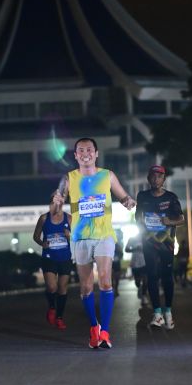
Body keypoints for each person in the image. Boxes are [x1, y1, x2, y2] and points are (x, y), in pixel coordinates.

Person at [53, 138, 135, 349]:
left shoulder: (107, 175)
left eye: (89, 149)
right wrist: (57, 202)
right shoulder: (69, 178)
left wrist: (128, 201)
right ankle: (93, 328)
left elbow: (123, 196)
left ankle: (105, 332)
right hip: (80, 238)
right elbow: (57, 203)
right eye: (81, 150)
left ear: (96, 153)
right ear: (76, 155)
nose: (85, 153)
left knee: (106, 281)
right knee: (86, 287)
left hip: (104, 235)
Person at [135, 166, 184, 329]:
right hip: (149, 242)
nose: (156, 180)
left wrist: (170, 221)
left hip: (167, 243)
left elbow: (181, 219)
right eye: (153, 176)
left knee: (167, 276)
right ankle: (157, 314)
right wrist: (142, 223)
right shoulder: (142, 196)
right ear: (148, 179)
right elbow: (137, 217)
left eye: (159, 177)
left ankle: (168, 312)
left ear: (164, 179)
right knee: (152, 275)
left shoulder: (171, 197)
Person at [33, 197, 72, 329]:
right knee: (51, 287)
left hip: (65, 257)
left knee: (62, 287)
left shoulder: (69, 218)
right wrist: (42, 243)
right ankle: (51, 307)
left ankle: (59, 318)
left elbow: (77, 238)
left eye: (59, 203)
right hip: (49, 257)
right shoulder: (44, 218)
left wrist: (69, 236)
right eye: (53, 203)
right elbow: (36, 236)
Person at [125, 232, 149, 306]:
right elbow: (126, 249)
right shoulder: (132, 239)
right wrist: (135, 249)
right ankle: (139, 288)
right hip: (135, 263)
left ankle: (144, 296)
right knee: (137, 282)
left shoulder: (146, 239)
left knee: (145, 280)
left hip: (145, 262)